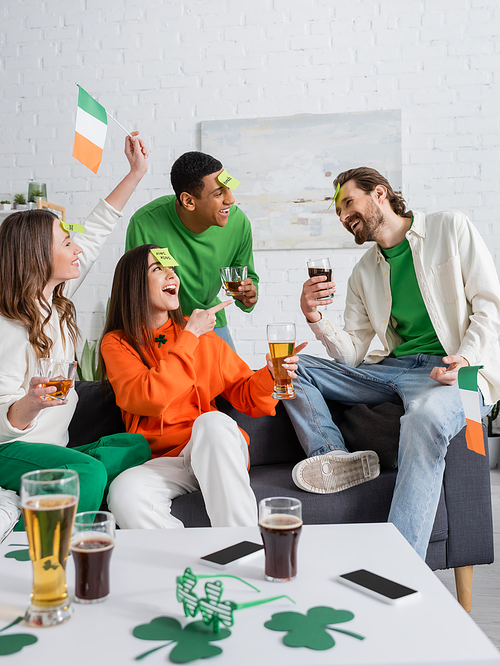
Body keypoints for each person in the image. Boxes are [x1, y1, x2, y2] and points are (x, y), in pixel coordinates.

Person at [283, 166, 500, 559]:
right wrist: (314, 317)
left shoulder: (450, 228)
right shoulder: (364, 272)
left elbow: (491, 305)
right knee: (290, 367)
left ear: (380, 194)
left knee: (424, 420)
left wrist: (465, 358)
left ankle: (399, 568)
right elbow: (352, 353)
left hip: (458, 372)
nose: (344, 215)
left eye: (349, 202)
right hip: (392, 369)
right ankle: (332, 457)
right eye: (339, 211)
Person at [0, 133, 152, 539]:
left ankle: (47, 490)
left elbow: (97, 230)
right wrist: (30, 404)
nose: (76, 248)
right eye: (66, 242)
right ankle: (69, 548)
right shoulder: (9, 326)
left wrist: (135, 173)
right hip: (7, 449)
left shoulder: (55, 301)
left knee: (134, 446)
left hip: (55, 450)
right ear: (37, 257)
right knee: (87, 469)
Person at [100, 244, 304, 529]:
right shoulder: (118, 344)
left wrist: (270, 373)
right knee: (124, 492)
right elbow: (147, 398)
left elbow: (248, 397)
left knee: (211, 422)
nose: (171, 275)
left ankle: (242, 547)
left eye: (171, 268)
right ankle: (184, 566)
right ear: (134, 283)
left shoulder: (204, 339)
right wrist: (189, 335)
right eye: (158, 269)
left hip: (214, 450)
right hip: (165, 461)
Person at [125, 151, 258, 350]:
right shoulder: (144, 223)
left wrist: (248, 294)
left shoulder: (238, 223)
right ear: (189, 201)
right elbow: (134, 291)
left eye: (229, 188)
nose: (231, 199)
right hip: (161, 326)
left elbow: (247, 278)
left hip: (210, 319)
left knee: (237, 380)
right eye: (219, 193)